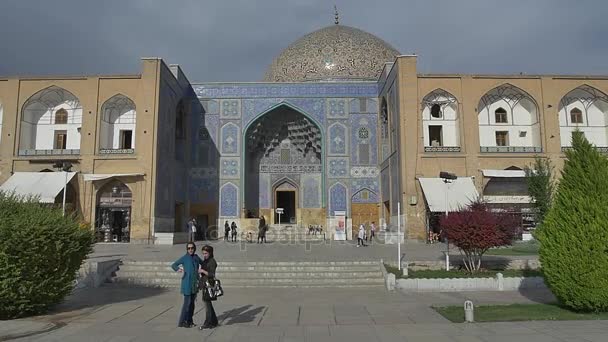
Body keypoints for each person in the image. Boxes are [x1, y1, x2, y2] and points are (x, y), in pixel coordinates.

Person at [171, 242, 202, 328]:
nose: (190, 250)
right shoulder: (184, 258)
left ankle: (190, 321)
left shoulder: (196, 257)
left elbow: (203, 264)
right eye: (188, 248)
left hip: (194, 283)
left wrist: (201, 272)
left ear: (194, 248)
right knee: (187, 304)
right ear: (187, 249)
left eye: (192, 248)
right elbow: (174, 265)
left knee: (192, 304)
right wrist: (179, 270)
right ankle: (182, 322)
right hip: (187, 283)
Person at [198, 245, 218, 329]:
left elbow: (212, 274)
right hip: (204, 284)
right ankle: (214, 321)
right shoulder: (205, 261)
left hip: (209, 284)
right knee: (208, 303)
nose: (204, 255)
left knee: (207, 304)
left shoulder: (212, 261)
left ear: (210, 253)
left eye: (206, 253)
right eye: (203, 253)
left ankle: (208, 322)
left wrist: (202, 271)